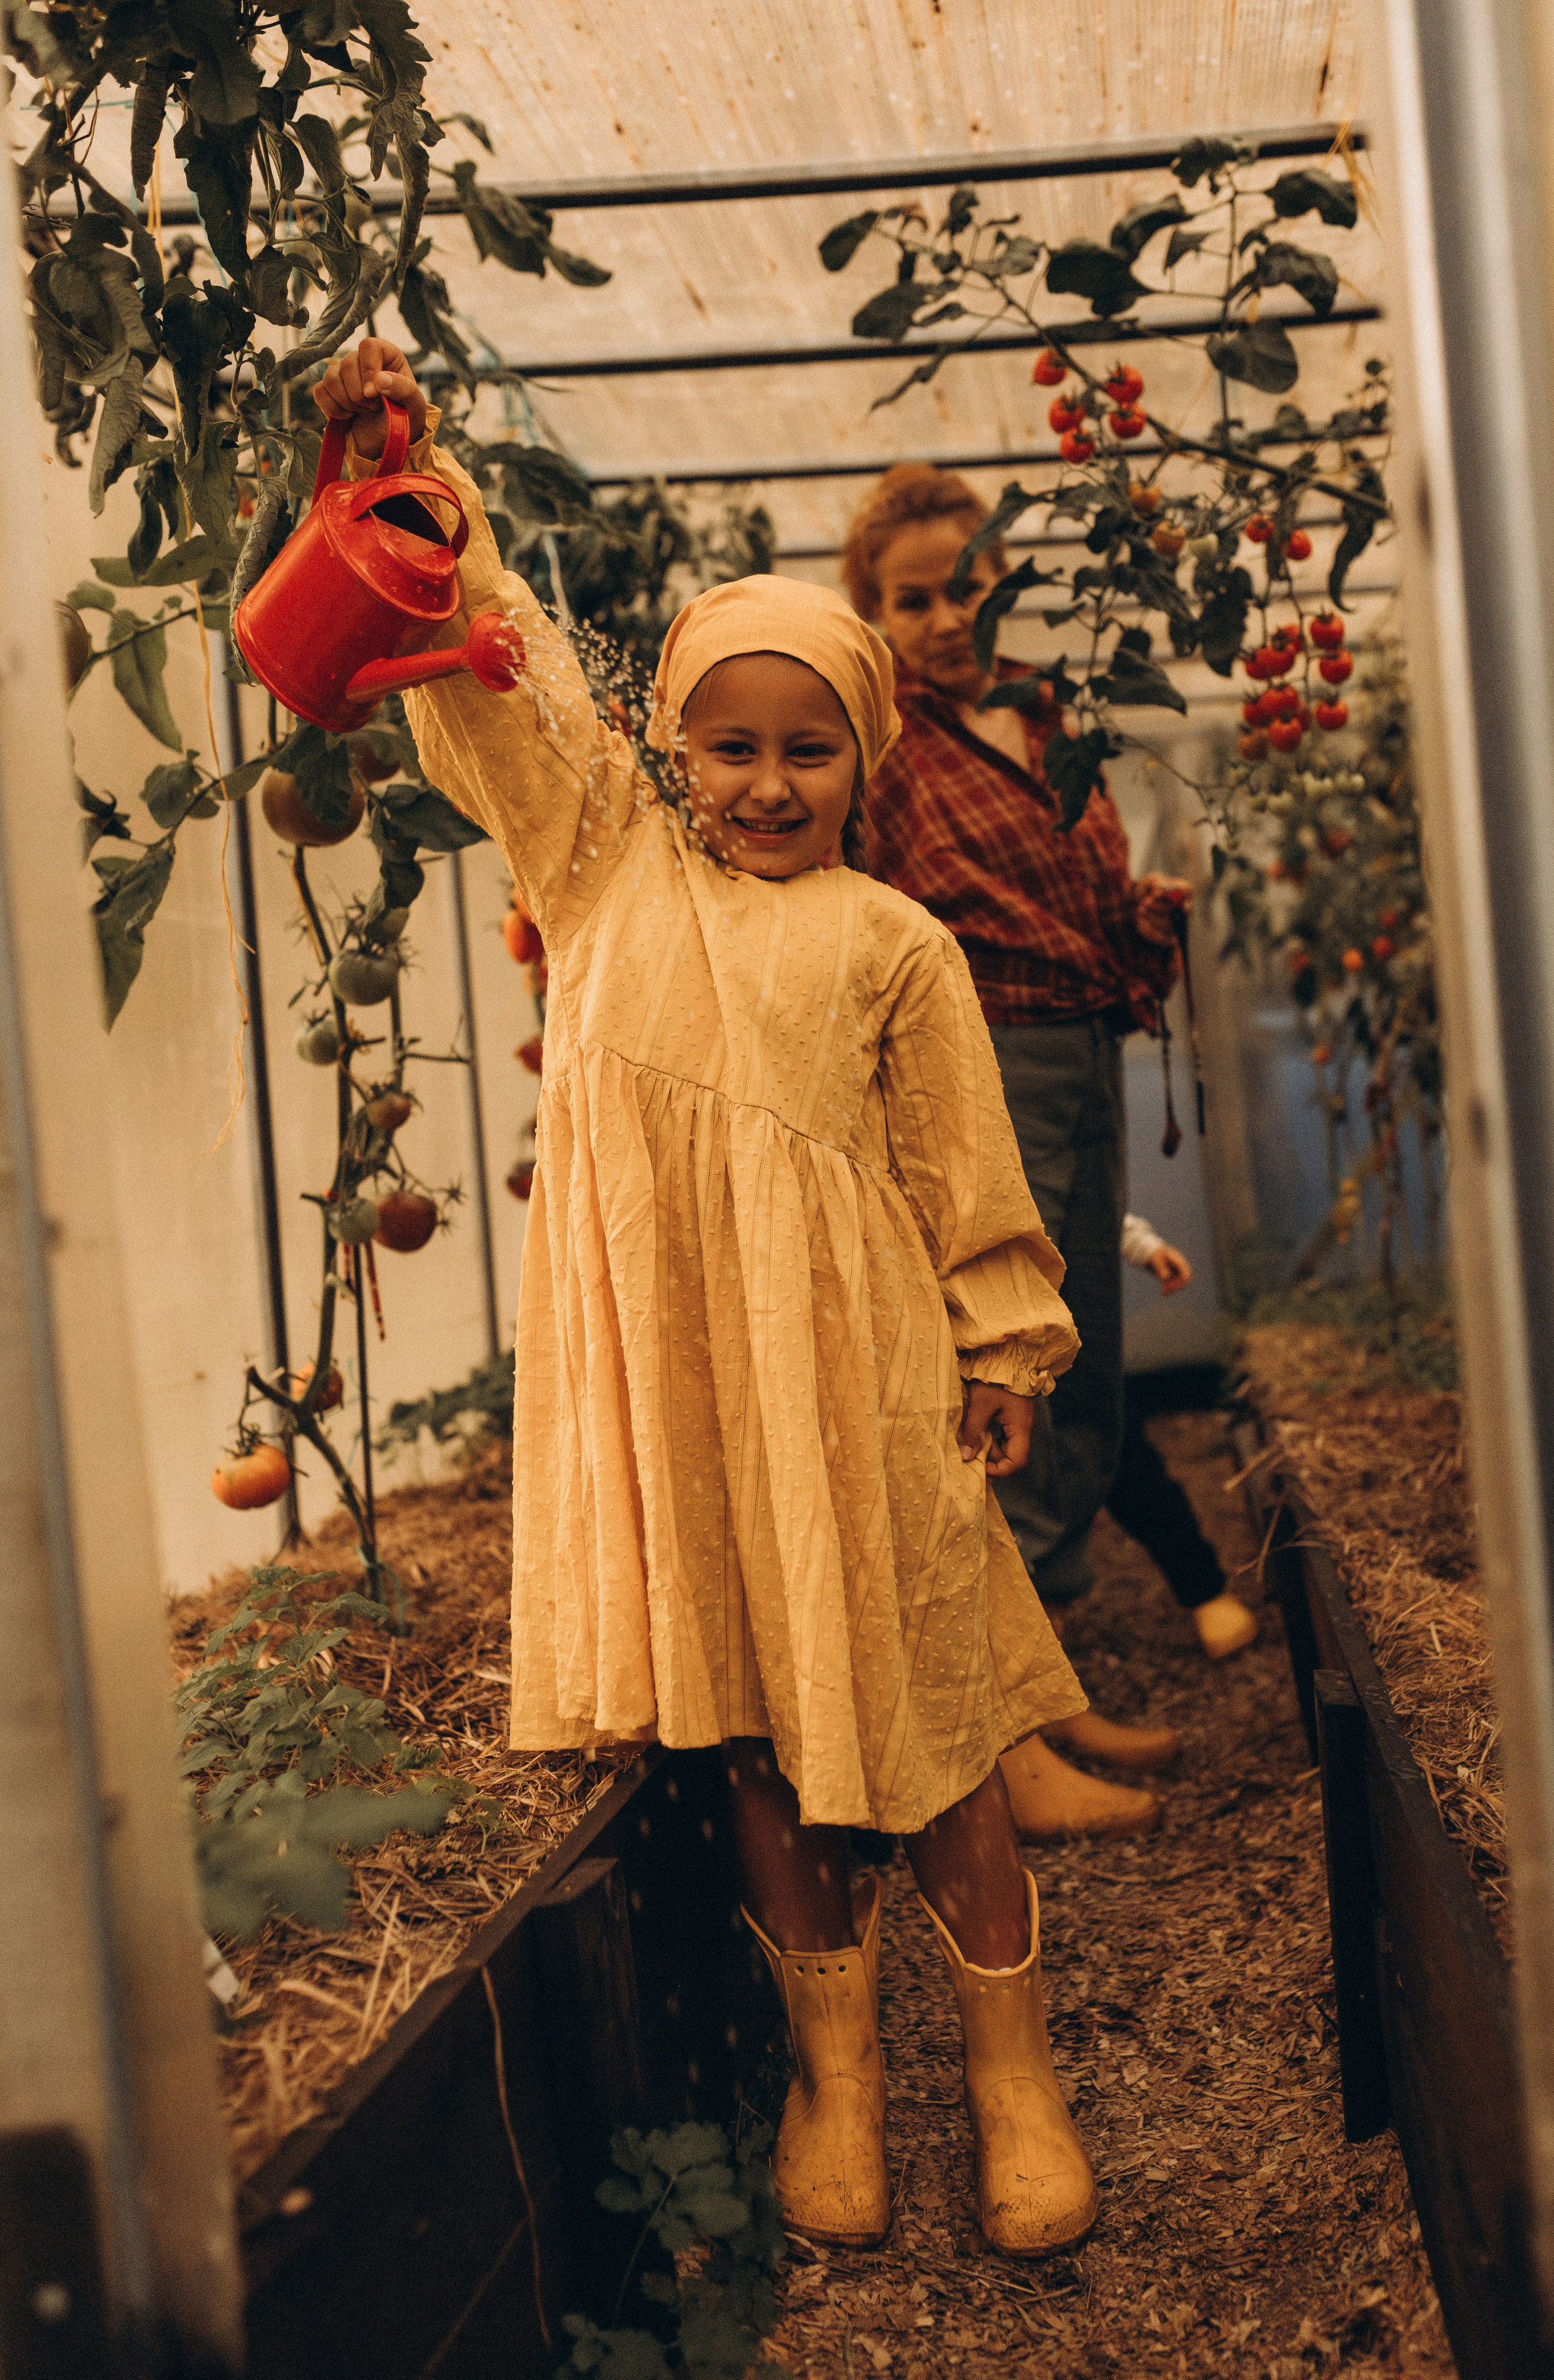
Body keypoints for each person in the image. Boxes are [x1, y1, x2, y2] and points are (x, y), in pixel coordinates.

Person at [311, 341, 1105, 2258]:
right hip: (685, 1383)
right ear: (672, 749)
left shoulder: (893, 941)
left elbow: (962, 1177)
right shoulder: (596, 873)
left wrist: (1000, 1336)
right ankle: (839, 2070)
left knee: (918, 1713)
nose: (765, 781)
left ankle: (1014, 2070)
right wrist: (413, 503)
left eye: (806, 746)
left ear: (868, 755)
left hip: (859, 1375)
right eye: (729, 745)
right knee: (757, 1726)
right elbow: (506, 696)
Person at [846, 465, 1189, 1782]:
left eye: (969, 584)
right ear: (874, 617)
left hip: (1080, 1044)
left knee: (1085, 1347)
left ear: (1008, 583)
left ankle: (1039, 1682)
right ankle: (1015, 1723)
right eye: (912, 598)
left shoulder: (1048, 721)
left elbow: (1059, 888)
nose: (946, 616)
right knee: (1017, 1356)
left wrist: (1130, 909)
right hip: (984, 1060)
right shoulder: (884, 746)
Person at [1110, 1217, 1259, 1660]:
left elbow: (1091, 1193)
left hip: (1067, 1335)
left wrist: (1140, 1244)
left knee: (1129, 1465)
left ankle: (1204, 1590)